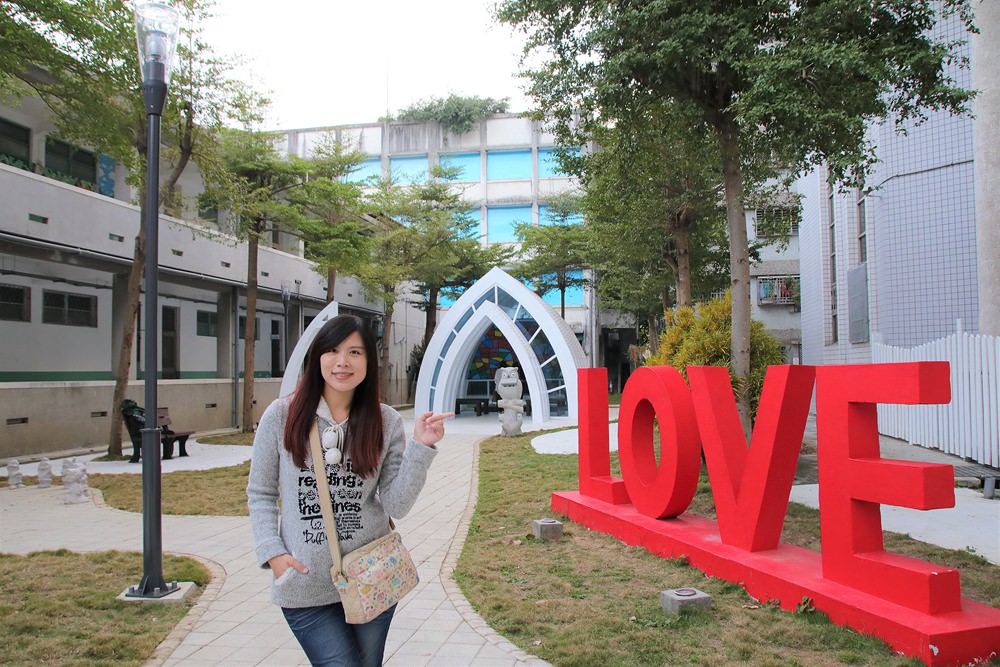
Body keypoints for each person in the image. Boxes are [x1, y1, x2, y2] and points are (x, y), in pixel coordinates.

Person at [248, 314, 452, 666]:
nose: (343, 362)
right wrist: (273, 553)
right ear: (318, 358)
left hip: (371, 578)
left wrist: (422, 447)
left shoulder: (384, 421)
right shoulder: (281, 416)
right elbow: (261, 492)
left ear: (369, 362)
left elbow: (396, 504)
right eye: (332, 350)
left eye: (355, 352)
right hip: (304, 584)